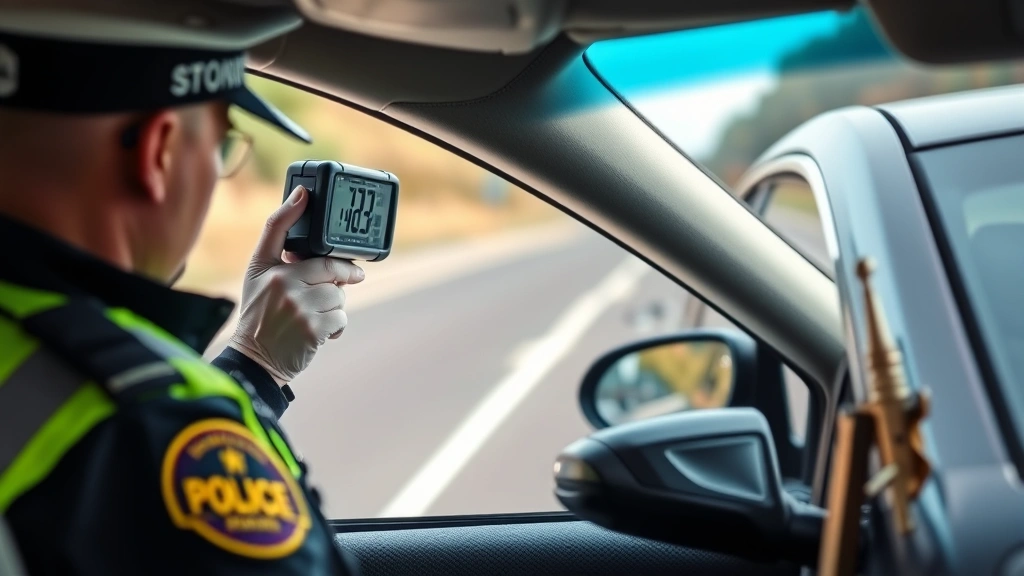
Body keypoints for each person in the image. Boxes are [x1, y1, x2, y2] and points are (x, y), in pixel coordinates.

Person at [0, 14, 363, 576]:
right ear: (159, 151)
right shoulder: (153, 424)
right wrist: (246, 378)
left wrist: (254, 366)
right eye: (220, 148)